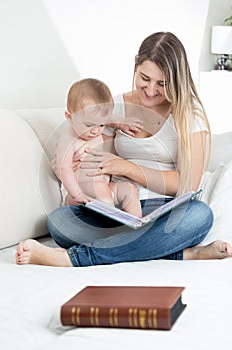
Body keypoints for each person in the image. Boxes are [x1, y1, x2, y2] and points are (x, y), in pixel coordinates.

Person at [15, 31, 232, 267]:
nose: (150, 90)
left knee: (199, 216)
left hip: (161, 212)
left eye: (162, 83)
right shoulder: (115, 106)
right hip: (113, 210)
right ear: (135, 66)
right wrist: (79, 165)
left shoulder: (189, 116)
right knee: (59, 222)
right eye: (145, 78)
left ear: (176, 80)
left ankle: (75, 258)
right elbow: (98, 153)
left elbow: (187, 185)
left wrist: (128, 167)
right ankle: (181, 253)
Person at [53, 78, 142, 218]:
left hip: (103, 188)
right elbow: (64, 169)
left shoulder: (94, 124)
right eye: (89, 125)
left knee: (129, 189)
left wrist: (122, 123)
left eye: (101, 125)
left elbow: (109, 117)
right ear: (69, 117)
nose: (95, 131)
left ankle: (137, 224)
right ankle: (112, 224)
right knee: (99, 188)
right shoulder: (69, 140)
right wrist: (77, 194)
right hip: (77, 193)